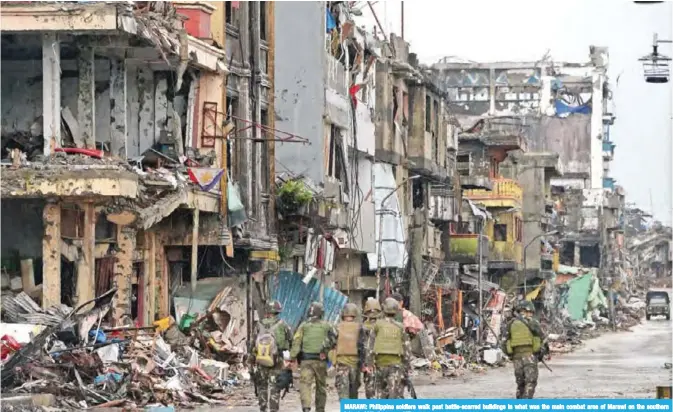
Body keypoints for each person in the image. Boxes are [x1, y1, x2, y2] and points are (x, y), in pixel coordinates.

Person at [290, 302, 337, 412]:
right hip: (321, 361)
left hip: (306, 360)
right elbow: (335, 339)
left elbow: (296, 342)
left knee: (305, 384)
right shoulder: (327, 325)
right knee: (321, 386)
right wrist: (326, 350)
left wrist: (292, 357)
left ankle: (306, 408)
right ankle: (320, 409)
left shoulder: (303, 326)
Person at [248, 300, 292, 412]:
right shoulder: (283, 324)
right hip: (277, 360)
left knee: (262, 385)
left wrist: (251, 360)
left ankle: (263, 408)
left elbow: (252, 343)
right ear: (278, 311)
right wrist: (289, 358)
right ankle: (273, 409)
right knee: (274, 386)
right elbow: (291, 340)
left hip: (261, 359)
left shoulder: (259, 324)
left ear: (267, 311)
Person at [366, 297, 411, 399]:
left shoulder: (377, 325)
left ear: (383, 309)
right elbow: (407, 348)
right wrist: (407, 366)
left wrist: (369, 363)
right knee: (394, 396)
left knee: (380, 395)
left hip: (379, 365)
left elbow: (370, 346)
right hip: (395, 366)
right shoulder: (400, 327)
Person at [504, 300, 547, 399]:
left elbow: (504, 341)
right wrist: (541, 353)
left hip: (516, 357)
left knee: (520, 383)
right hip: (530, 356)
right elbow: (542, 337)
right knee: (530, 382)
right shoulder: (533, 322)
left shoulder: (511, 323)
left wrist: (510, 355)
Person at [334, 303, 368, 399]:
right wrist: (363, 364)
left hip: (342, 364)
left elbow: (330, 343)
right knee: (353, 393)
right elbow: (363, 347)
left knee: (343, 394)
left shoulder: (337, 327)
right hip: (355, 365)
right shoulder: (360, 327)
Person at [362, 297, 382, 399]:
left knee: (369, 388)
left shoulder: (363, 326)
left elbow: (361, 345)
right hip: (381, 359)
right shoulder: (383, 325)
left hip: (368, 360)